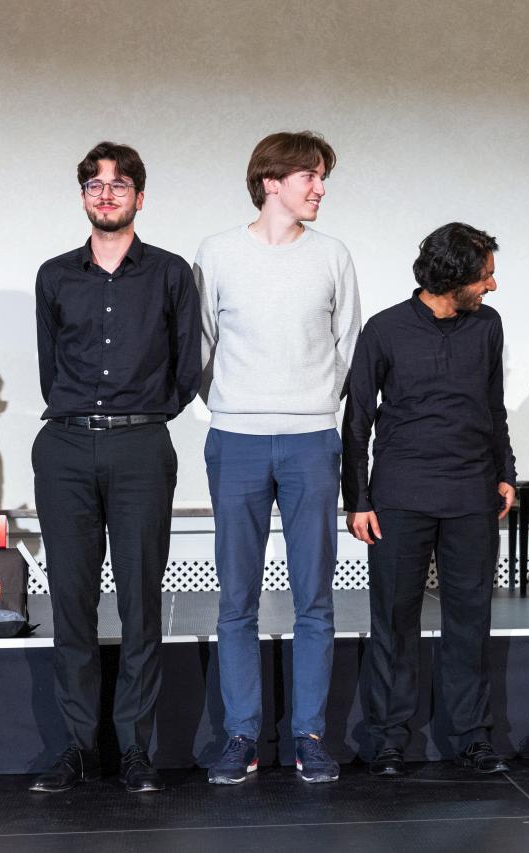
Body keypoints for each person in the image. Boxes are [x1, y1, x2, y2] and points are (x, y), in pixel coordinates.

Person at [30, 142, 200, 793]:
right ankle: (79, 747)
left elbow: (187, 366)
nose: (106, 195)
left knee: (139, 601)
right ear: (82, 197)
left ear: (140, 197)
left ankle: (134, 749)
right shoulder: (54, 275)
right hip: (66, 448)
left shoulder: (170, 273)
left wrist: (143, 415)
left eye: (119, 185)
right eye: (95, 185)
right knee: (71, 603)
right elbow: (50, 367)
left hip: (140, 447)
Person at [196, 131, 361, 785]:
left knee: (314, 598)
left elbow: (348, 349)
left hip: (311, 439)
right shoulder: (217, 253)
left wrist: (311, 407)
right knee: (235, 598)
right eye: (309, 176)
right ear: (271, 181)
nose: (320, 188)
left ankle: (308, 735)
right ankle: (241, 734)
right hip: (235, 439)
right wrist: (234, 407)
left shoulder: (333, 256)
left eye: (322, 178)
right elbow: (200, 348)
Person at [343, 222, 517, 776]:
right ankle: (388, 739)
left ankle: (472, 736)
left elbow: (494, 406)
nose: (492, 285)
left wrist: (506, 472)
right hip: (400, 495)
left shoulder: (487, 325)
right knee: (394, 622)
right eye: (485, 276)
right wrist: (358, 499)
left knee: (471, 620)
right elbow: (357, 420)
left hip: (471, 493)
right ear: (454, 276)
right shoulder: (384, 329)